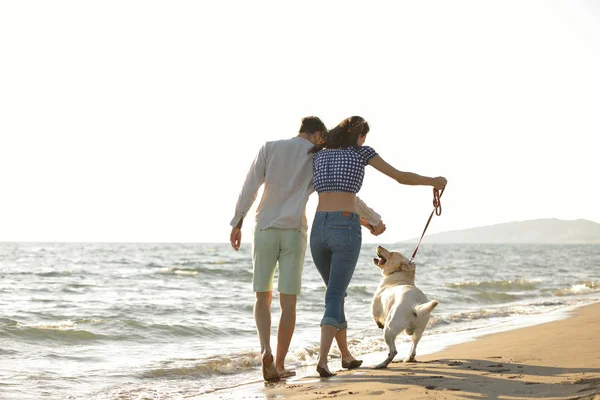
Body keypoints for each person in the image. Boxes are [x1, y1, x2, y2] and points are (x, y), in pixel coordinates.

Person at [229, 116, 386, 382]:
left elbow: (250, 187)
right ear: (316, 134)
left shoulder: (269, 147)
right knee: (288, 304)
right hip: (294, 232)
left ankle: (265, 350)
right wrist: (372, 220)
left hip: (264, 228)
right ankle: (278, 366)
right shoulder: (317, 155)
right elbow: (341, 195)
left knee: (262, 297)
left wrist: (237, 222)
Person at [308, 116, 447, 377]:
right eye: (364, 136)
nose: (364, 141)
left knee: (335, 294)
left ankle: (346, 356)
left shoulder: (319, 154)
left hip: (318, 227)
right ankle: (323, 359)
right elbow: (400, 177)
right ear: (359, 135)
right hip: (344, 227)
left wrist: (367, 223)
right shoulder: (362, 153)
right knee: (335, 295)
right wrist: (434, 181)